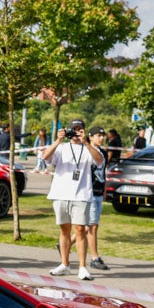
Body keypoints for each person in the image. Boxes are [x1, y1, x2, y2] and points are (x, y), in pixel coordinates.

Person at [42, 119, 103, 280]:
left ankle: (82, 266)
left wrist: (87, 142)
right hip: (61, 194)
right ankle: (65, 264)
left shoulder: (88, 148)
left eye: (79, 129)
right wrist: (57, 140)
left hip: (81, 195)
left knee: (80, 230)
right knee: (64, 231)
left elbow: (99, 161)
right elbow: (45, 157)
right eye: (74, 129)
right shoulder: (61, 148)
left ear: (84, 131)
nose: (76, 132)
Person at [82, 127, 110, 270]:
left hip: (99, 191)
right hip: (89, 192)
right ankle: (94, 257)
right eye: (98, 135)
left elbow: (102, 171)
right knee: (93, 226)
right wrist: (86, 143)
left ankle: (65, 244)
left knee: (89, 226)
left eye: (103, 135)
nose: (101, 138)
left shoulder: (103, 152)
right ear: (91, 137)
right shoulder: (85, 150)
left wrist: (104, 190)